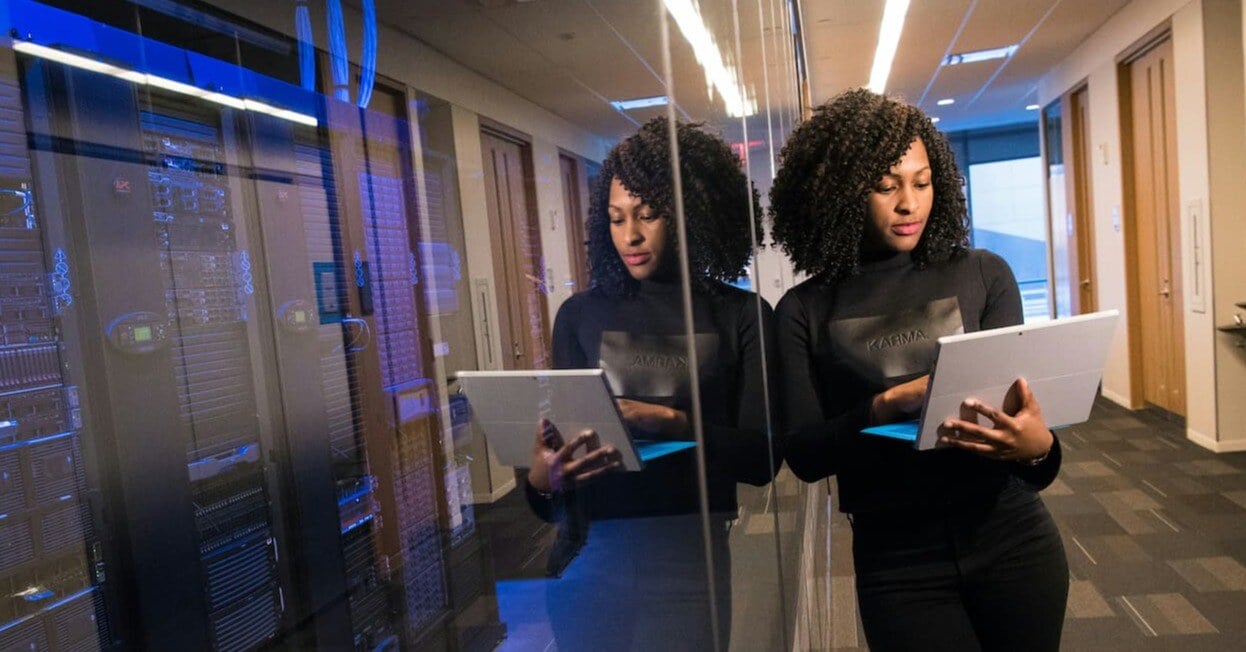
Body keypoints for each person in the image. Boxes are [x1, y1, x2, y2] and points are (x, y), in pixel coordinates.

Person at [770, 89, 1067, 652]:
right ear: (840, 193)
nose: (909, 202)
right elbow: (805, 455)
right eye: (885, 186)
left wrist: (1038, 447)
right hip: (897, 562)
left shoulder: (984, 273)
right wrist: (884, 406)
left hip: (1013, 538)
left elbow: (1032, 456)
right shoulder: (805, 310)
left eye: (922, 181)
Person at [524, 117, 780, 650]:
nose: (630, 236)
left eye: (648, 215)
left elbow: (761, 459)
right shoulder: (578, 316)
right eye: (616, 219)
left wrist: (673, 424)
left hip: (690, 563)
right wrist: (543, 480)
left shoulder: (740, 314)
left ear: (691, 215)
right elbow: (556, 495)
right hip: (588, 560)